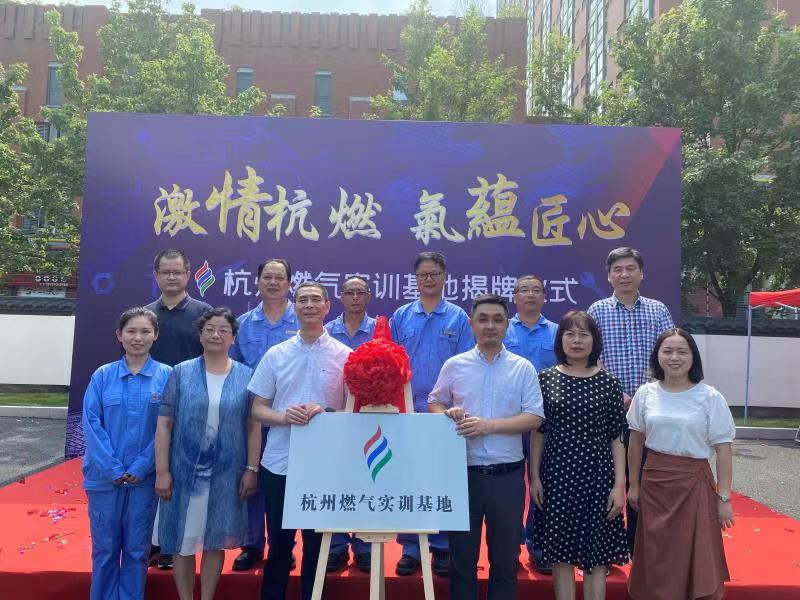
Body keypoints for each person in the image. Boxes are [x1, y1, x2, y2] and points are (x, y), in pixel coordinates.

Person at [429, 294, 544, 600]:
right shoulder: (455, 365)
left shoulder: (522, 368)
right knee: (461, 562)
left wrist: (488, 426)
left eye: (497, 320)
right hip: (463, 475)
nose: (490, 326)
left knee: (505, 563)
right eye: (483, 319)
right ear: (471, 324)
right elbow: (435, 401)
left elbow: (534, 417)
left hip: (507, 477)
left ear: (507, 325)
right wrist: (448, 413)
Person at [248, 281, 352, 600]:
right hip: (280, 462)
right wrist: (284, 417)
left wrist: (328, 412)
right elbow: (257, 409)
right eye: (302, 299)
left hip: (324, 465)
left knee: (317, 546)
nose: (309, 305)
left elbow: (354, 411)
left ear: (327, 307)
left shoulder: (345, 356)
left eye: (315, 300)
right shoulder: (276, 354)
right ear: (294, 307)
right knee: (279, 544)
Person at [154, 308, 260, 600]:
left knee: (215, 539)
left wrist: (251, 469)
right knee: (182, 541)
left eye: (223, 330)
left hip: (227, 473)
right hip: (184, 472)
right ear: (200, 336)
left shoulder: (246, 376)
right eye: (209, 329)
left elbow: (253, 427)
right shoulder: (181, 372)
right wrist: (162, 471)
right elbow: (164, 424)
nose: (216, 335)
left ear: (233, 338)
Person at [627, 328, 735, 600]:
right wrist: (633, 486)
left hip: (694, 484)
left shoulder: (710, 397)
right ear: (657, 356)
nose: (674, 357)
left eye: (682, 351)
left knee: (696, 552)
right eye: (667, 351)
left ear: (693, 357)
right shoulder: (645, 393)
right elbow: (636, 442)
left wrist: (724, 498)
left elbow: (723, 449)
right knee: (657, 554)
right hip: (654, 484)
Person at [531, 311, 629, 600]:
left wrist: (619, 485)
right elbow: (538, 432)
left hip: (598, 478)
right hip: (557, 477)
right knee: (560, 556)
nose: (576, 340)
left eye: (583, 334)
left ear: (594, 340)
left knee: (596, 558)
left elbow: (617, 437)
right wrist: (534, 477)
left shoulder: (609, 383)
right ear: (560, 339)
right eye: (570, 334)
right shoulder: (546, 379)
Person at [390, 251, 474, 577]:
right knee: (408, 478)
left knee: (441, 479)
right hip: (408, 410)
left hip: (445, 412)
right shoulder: (401, 316)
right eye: (423, 274)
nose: (429, 279)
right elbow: (392, 363)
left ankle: (440, 546)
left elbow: (466, 366)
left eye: (434, 274)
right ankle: (410, 547)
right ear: (416, 278)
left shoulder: (458, 318)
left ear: (444, 277)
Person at [587, 247, 674, 550]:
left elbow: (669, 353)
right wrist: (618, 393)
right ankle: (605, 549)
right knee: (606, 481)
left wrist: (645, 395)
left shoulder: (658, 310)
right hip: (609, 410)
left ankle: (640, 549)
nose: (624, 275)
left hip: (651, 411)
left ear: (641, 273)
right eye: (618, 270)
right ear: (609, 276)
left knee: (644, 480)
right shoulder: (597, 311)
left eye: (630, 268)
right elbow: (590, 357)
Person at [82, 307, 172, 600]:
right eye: (131, 331)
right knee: (105, 550)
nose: (138, 337)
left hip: (143, 481)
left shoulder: (167, 377)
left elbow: (169, 427)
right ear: (119, 335)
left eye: (145, 331)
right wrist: (111, 468)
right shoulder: (103, 376)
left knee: (136, 550)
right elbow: (91, 424)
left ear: (155, 335)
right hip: (103, 479)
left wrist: (142, 466)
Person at [230, 258, 299, 573]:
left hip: (290, 417)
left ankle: (284, 547)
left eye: (279, 278)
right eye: (267, 277)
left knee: (288, 483)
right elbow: (232, 370)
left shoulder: (302, 319)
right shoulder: (243, 324)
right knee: (252, 477)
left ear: (289, 283)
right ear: (257, 282)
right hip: (253, 417)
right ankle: (252, 544)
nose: (273, 283)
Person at [146, 248, 211, 570]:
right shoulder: (144, 316)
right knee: (152, 473)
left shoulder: (204, 314)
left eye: (177, 272)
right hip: (150, 408)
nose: (171, 277)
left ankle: (174, 546)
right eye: (165, 272)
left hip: (191, 409)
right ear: (156, 275)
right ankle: (150, 543)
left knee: (184, 478)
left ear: (188, 275)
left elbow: (214, 360)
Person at [504, 274, 558, 573]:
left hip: (546, 422)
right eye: (524, 290)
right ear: (515, 297)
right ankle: (509, 548)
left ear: (544, 297)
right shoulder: (503, 329)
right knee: (510, 488)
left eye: (536, 290)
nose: (530, 295)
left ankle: (538, 546)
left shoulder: (557, 332)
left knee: (542, 484)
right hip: (508, 420)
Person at [324, 275, 376, 573]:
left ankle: (365, 545)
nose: (355, 298)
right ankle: (337, 545)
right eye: (350, 293)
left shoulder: (380, 331)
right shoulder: (327, 331)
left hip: (370, 415)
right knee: (336, 480)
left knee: (367, 478)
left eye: (360, 293)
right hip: (335, 417)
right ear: (341, 296)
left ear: (368, 296)